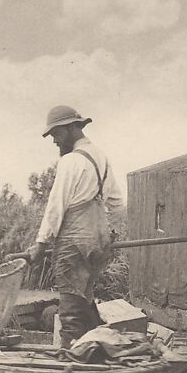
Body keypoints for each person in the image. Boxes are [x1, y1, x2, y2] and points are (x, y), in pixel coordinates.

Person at [27, 105, 126, 349]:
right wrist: (110, 233)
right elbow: (116, 202)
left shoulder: (70, 161)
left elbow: (55, 206)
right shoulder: (100, 157)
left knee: (70, 306)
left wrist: (40, 244)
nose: (55, 141)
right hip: (98, 241)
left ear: (73, 128)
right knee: (85, 297)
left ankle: (70, 362)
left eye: (57, 134)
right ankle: (96, 353)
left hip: (74, 242)